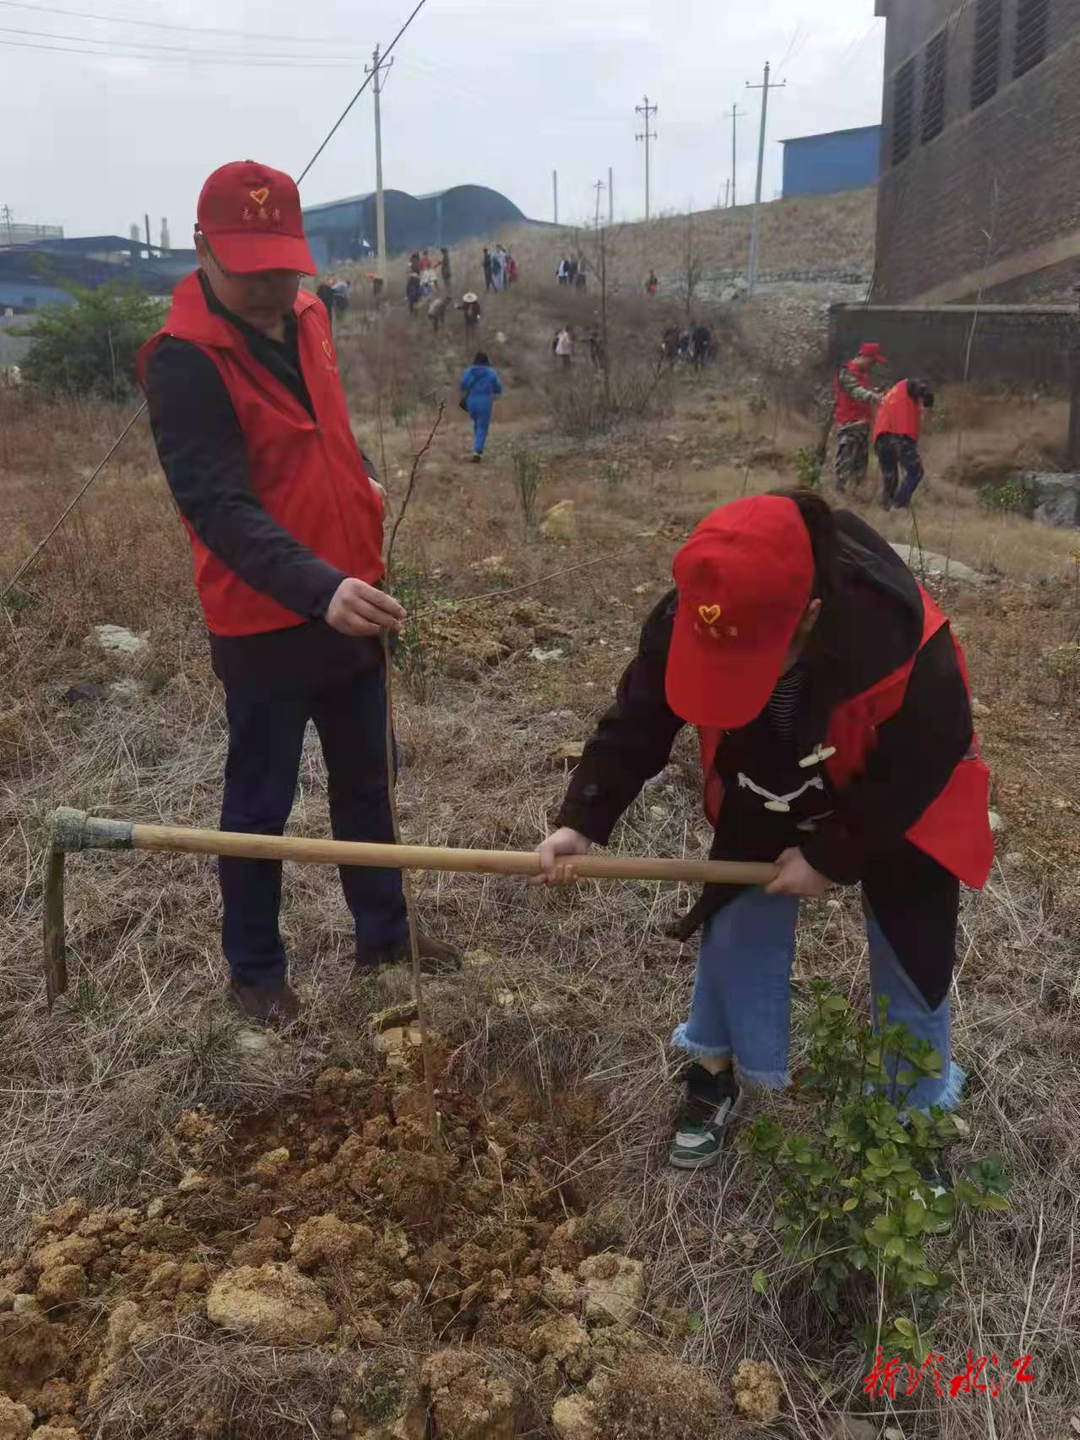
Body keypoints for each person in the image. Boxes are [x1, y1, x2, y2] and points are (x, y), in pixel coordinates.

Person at [538, 491, 992, 1170]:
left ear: (808, 617)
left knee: (914, 948)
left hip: (898, 788)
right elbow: (640, 716)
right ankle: (713, 1071)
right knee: (735, 915)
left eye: (747, 664)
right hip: (767, 771)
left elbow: (926, 757)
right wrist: (583, 820)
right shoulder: (696, 612)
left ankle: (913, 1116)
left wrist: (835, 854)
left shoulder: (900, 643)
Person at [138, 160, 460, 1023]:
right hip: (266, 621)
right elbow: (219, 508)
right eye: (251, 270)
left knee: (369, 785)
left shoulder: (309, 311)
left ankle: (385, 941)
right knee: (259, 807)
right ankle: (254, 972)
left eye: (285, 264)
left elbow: (326, 426)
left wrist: (358, 482)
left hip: (353, 595)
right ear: (202, 249)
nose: (274, 287)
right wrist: (320, 587)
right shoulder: (181, 363)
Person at [833, 342, 888, 492]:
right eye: (872, 361)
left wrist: (876, 391)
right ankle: (839, 499)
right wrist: (874, 397)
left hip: (862, 426)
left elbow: (863, 389)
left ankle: (856, 498)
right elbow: (855, 391)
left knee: (860, 470)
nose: (873, 365)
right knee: (845, 467)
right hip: (849, 426)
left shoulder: (862, 374)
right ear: (864, 357)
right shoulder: (846, 372)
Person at [874, 379, 934, 511]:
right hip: (899, 437)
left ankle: (885, 510)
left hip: (881, 439)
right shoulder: (908, 385)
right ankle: (898, 507)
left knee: (890, 479)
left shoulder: (891, 396)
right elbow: (923, 389)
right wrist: (928, 403)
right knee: (916, 472)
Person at [460, 350, 503, 462]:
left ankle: (477, 442)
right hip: (484, 402)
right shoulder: (491, 372)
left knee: (477, 423)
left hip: (471, 402)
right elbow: (498, 387)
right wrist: (496, 392)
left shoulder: (468, 371)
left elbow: (463, 386)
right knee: (482, 427)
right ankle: (477, 451)